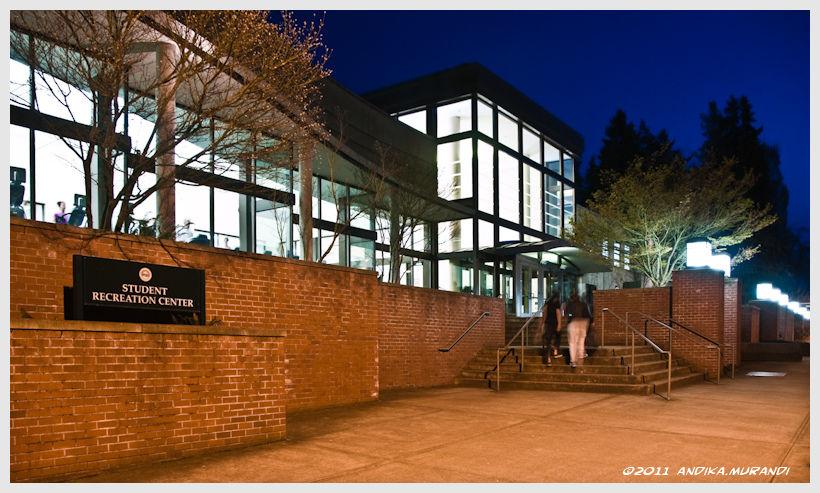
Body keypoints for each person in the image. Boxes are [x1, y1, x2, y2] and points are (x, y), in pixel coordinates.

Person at [564, 290, 592, 369]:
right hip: (583, 323)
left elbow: (567, 314)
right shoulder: (583, 304)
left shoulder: (569, 304)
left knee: (573, 343)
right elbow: (588, 316)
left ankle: (573, 361)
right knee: (581, 342)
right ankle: (580, 359)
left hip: (573, 322)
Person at [539, 292, 562, 366]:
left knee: (548, 341)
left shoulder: (547, 303)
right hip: (554, 323)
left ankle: (548, 359)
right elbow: (558, 313)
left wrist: (543, 323)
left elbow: (544, 313)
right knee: (558, 336)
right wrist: (559, 324)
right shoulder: (557, 303)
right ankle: (555, 350)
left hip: (548, 323)